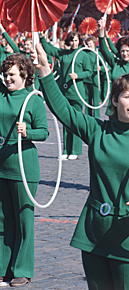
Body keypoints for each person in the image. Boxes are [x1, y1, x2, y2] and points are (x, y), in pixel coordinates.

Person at [35, 43, 129, 290]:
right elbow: (64, 112)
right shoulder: (98, 130)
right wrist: (46, 74)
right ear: (114, 99)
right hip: (94, 232)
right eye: (127, 96)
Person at [0, 54, 48, 287]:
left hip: (23, 167)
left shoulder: (33, 100)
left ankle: (22, 269)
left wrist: (27, 131)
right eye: (5, 74)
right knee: (2, 220)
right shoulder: (0, 95)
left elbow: (44, 132)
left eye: (12, 75)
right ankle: (2, 267)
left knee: (23, 221)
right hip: (1, 166)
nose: (8, 78)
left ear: (25, 76)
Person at [40, 31, 92, 160]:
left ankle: (75, 149)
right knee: (66, 121)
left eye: (76, 40)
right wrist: (42, 37)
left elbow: (90, 71)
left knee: (77, 122)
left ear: (79, 41)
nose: (74, 43)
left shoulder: (83, 54)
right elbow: (50, 50)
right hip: (65, 91)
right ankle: (66, 149)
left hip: (77, 93)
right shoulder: (64, 54)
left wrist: (78, 75)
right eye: (72, 40)